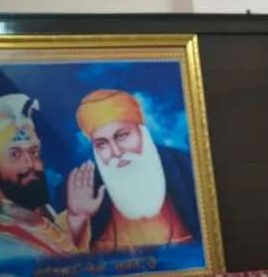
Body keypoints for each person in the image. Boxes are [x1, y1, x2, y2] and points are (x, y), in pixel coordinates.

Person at [68, 89, 197, 251]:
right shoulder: (87, 188)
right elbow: (62, 255)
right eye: (102, 144)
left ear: (142, 132)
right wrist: (78, 218)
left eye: (122, 136)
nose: (116, 152)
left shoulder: (186, 167)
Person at [0, 93, 100, 260]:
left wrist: (77, 218)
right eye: (15, 154)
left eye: (34, 152)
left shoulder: (43, 219)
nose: (30, 164)